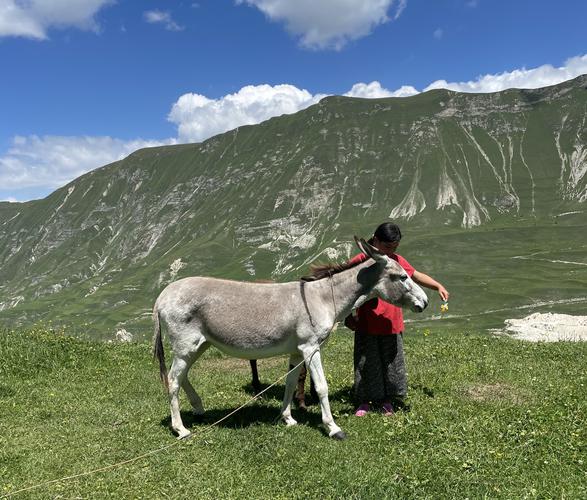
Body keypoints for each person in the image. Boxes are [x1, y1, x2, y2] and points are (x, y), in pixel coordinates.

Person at [345, 222, 449, 416]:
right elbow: (346, 289)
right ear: (375, 239)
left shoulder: (396, 261)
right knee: (366, 362)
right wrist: (348, 316)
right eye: (386, 247)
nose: (390, 251)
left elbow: (415, 276)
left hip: (391, 322)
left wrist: (438, 286)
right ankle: (365, 401)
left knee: (391, 363)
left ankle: (388, 400)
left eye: (394, 248)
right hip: (366, 322)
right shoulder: (361, 260)